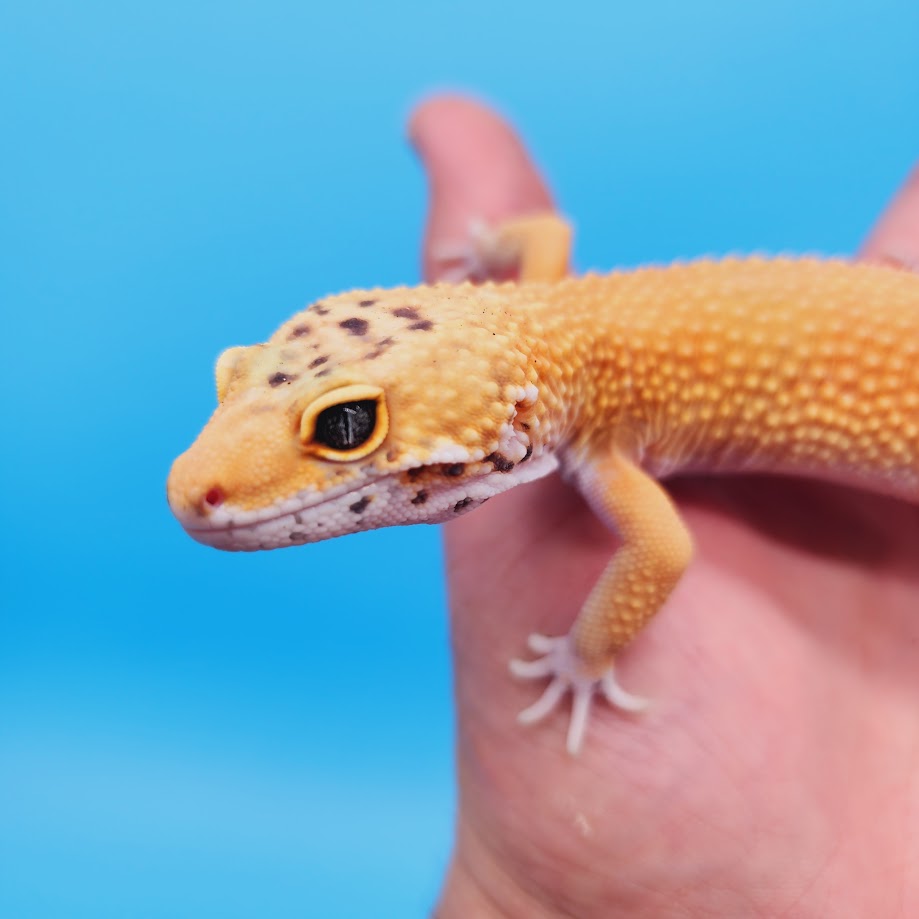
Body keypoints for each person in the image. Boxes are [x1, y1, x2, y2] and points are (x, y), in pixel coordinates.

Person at [409, 94, 919, 917]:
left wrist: (584, 656)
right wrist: (489, 254)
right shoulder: (543, 312)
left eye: (350, 429)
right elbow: (543, 237)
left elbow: (661, 551)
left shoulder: (587, 420)